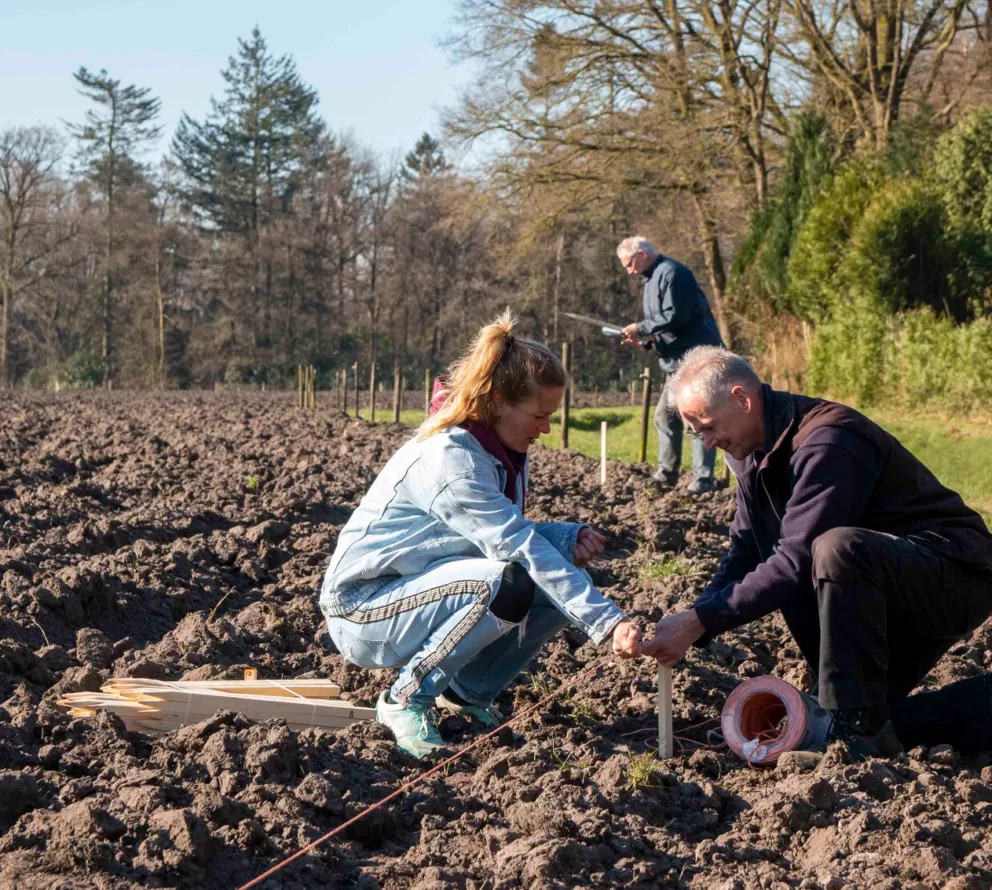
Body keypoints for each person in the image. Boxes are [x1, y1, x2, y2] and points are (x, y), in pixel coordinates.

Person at [641, 346, 992, 758]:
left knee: (830, 550)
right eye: (697, 432)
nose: (708, 440)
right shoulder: (750, 454)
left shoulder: (828, 440)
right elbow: (744, 551)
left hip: (950, 575)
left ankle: (853, 729)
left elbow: (797, 562)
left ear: (742, 398)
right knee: (891, 718)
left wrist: (700, 621)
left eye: (708, 426)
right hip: (881, 588)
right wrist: (694, 620)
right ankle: (863, 721)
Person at [319, 311, 642, 757]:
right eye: (538, 416)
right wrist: (608, 623)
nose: (546, 429)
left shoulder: (501, 450)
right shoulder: (453, 460)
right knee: (505, 581)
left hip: (417, 587)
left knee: (543, 576)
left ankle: (468, 694)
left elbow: (501, 535)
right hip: (361, 610)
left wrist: (566, 540)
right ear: (495, 402)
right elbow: (515, 545)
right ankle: (404, 698)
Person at [616, 236, 725, 495]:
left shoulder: (674, 273)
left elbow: (677, 315)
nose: (630, 272)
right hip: (676, 362)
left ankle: (703, 481)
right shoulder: (651, 280)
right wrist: (644, 343)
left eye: (629, 264)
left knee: (698, 419)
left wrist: (640, 327)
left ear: (641, 254)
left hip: (696, 360)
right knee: (665, 417)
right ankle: (667, 474)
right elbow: (666, 329)